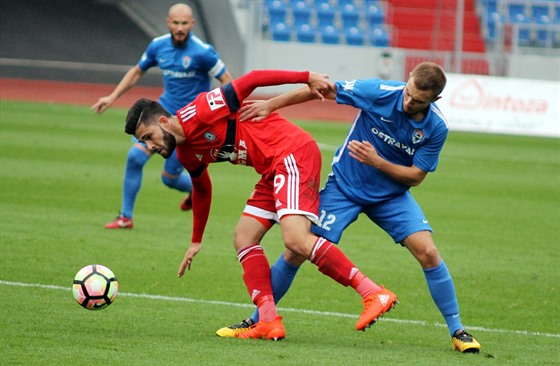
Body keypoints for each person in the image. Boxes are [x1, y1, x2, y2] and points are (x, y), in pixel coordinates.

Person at [216, 62, 482, 353]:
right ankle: (258, 319)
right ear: (406, 81)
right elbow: (322, 90)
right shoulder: (378, 92)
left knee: (429, 253)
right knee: (296, 249)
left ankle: (458, 331)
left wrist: (377, 162)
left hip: (391, 197)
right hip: (344, 188)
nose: (408, 102)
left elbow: (416, 176)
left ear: (435, 99)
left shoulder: (436, 127)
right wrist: (272, 105)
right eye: (408, 93)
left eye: (418, 100)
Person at [123, 69, 399, 340]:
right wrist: (196, 240)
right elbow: (202, 188)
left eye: (148, 137)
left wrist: (306, 77)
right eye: (143, 142)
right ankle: (268, 320)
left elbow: (253, 79)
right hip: (271, 169)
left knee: (295, 239)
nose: (149, 146)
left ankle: (373, 292)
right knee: (243, 237)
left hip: (291, 153)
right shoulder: (186, 154)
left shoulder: (202, 110)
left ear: (163, 121)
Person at [92, 3, 232, 229]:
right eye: (175, 23)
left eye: (184, 23)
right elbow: (138, 71)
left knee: (169, 179)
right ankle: (125, 217)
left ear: (192, 24)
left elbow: (228, 81)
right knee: (134, 157)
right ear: (168, 23)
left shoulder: (203, 52)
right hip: (160, 115)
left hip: (186, 123)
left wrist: (218, 111)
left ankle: (197, 191)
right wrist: (112, 96)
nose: (179, 28)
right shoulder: (158, 46)